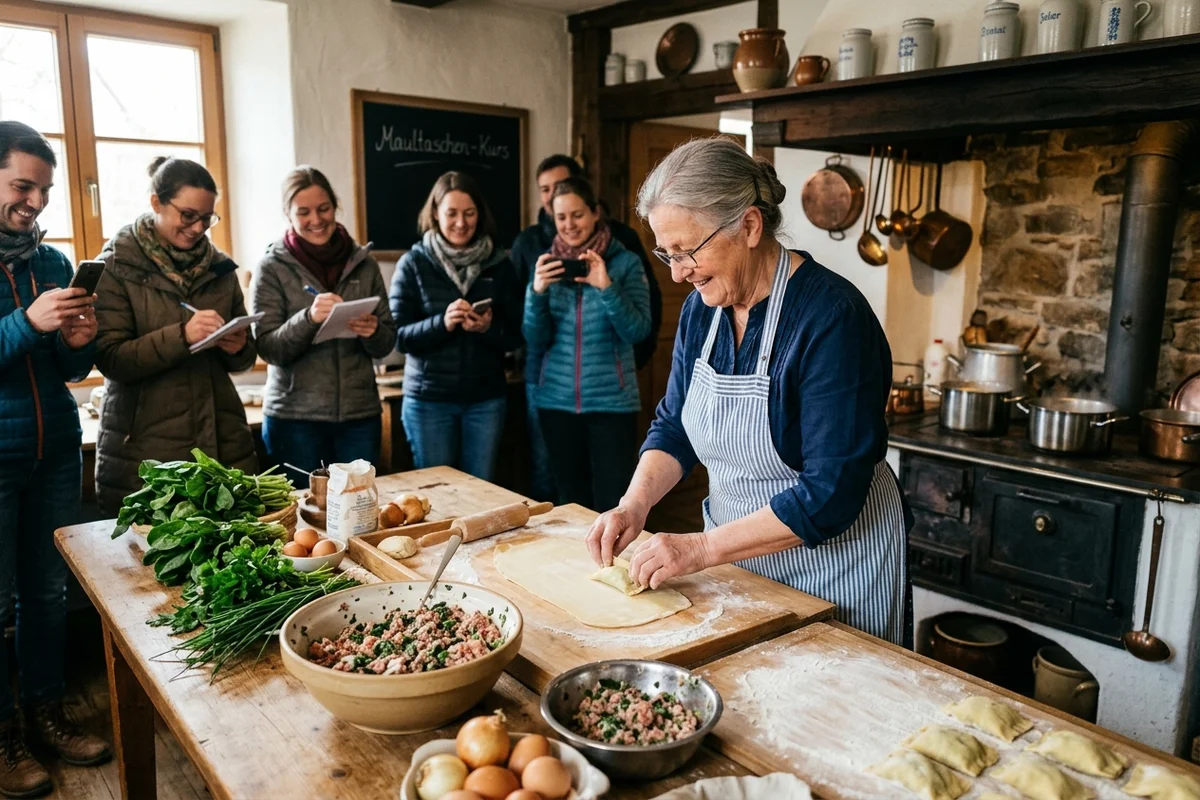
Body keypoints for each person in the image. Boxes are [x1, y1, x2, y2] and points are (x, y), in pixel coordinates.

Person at [586, 138, 910, 645]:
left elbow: (829, 494)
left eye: (688, 251)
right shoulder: (702, 309)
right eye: (666, 254)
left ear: (750, 226)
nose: (677, 273)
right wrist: (634, 504)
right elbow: (676, 427)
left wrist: (699, 550)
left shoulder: (832, 320)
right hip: (739, 557)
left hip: (834, 568)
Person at [0, 121, 111, 796]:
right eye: (21, 185)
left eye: (43, 189)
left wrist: (79, 338)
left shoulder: (48, 262)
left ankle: (47, 714)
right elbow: (17, 338)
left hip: (54, 453)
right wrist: (24, 323)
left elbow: (67, 369)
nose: (35, 201)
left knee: (46, 594)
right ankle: (5, 735)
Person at [93, 157, 257, 515]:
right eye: (188, 215)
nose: (198, 227)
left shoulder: (221, 267)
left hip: (221, 440)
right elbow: (111, 359)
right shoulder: (115, 265)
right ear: (156, 203)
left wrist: (240, 345)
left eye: (207, 218)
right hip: (146, 452)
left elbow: (243, 358)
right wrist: (181, 337)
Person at [511, 154, 663, 502]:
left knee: (614, 499)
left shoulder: (624, 262)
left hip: (612, 403)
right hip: (557, 403)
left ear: (596, 212)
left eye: (578, 215)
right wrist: (536, 293)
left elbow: (638, 330)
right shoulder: (546, 264)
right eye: (561, 217)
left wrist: (607, 287)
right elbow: (535, 338)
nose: (569, 224)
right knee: (569, 500)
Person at [252, 167, 396, 480]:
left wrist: (373, 332)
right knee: (303, 521)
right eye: (304, 212)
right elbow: (268, 347)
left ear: (335, 206)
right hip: (294, 418)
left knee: (359, 513)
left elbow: (387, 343)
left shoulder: (365, 264)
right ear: (287, 214)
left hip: (360, 415)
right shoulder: (271, 267)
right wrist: (309, 318)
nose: (316, 220)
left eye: (324, 208)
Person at [389, 171, 522, 481]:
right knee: (437, 493)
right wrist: (442, 323)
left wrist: (488, 327)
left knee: (482, 491)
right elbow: (397, 338)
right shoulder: (413, 263)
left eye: (469, 213)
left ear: (480, 214)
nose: (461, 222)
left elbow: (516, 334)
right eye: (452, 213)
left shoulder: (499, 264)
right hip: (428, 403)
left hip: (485, 399)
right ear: (435, 213)